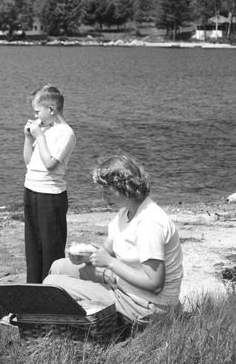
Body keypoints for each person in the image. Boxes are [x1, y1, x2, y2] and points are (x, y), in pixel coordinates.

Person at [44, 154, 184, 324]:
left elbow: (154, 283)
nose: (104, 198)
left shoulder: (149, 223)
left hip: (148, 305)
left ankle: (62, 328)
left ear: (126, 188)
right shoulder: (126, 211)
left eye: (108, 192)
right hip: (127, 288)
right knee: (58, 266)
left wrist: (110, 263)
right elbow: (107, 251)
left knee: (53, 283)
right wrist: (85, 256)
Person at [22, 84, 76, 282]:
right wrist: (29, 138)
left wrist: (40, 137)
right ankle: (33, 289)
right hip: (31, 190)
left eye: (38, 112)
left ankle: (52, 289)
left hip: (51, 195)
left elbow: (51, 164)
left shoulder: (65, 132)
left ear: (51, 109)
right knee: (33, 246)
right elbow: (29, 162)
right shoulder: (45, 131)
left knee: (51, 247)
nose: (36, 117)